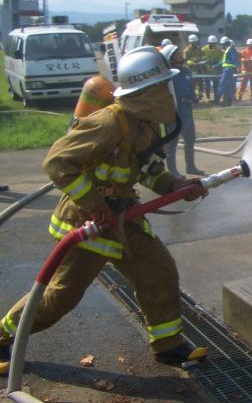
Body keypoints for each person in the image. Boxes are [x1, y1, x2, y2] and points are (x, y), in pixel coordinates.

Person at [0, 46, 209, 375]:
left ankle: (168, 345)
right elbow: (57, 163)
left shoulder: (144, 125)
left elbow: (146, 168)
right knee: (61, 296)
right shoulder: (108, 122)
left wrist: (175, 185)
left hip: (124, 217)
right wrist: (96, 206)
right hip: (88, 224)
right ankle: (2, 335)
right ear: (147, 92)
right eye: (163, 87)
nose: (168, 94)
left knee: (158, 270)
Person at [162, 44, 205, 176]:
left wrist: (194, 98)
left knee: (190, 139)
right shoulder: (166, 75)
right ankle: (173, 171)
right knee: (172, 143)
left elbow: (190, 87)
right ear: (171, 58)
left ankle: (191, 167)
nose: (181, 55)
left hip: (187, 109)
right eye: (177, 54)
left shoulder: (186, 71)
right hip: (174, 110)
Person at [217, 37, 240, 106]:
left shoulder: (230, 49)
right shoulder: (227, 50)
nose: (222, 46)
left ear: (224, 44)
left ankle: (217, 99)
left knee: (222, 84)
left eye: (222, 44)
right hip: (228, 69)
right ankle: (228, 102)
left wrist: (237, 67)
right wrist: (214, 66)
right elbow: (222, 62)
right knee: (228, 86)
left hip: (228, 70)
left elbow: (235, 58)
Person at [183, 34, 206, 100]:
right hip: (192, 69)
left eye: (195, 42)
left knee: (200, 82)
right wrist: (190, 62)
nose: (194, 43)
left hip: (199, 68)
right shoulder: (186, 50)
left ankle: (200, 95)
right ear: (190, 42)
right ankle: (193, 97)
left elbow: (202, 56)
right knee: (193, 84)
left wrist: (203, 59)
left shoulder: (199, 49)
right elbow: (185, 60)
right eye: (193, 42)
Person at [200, 35, 222, 101]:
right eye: (212, 43)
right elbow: (201, 58)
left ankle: (216, 98)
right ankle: (208, 97)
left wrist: (216, 65)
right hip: (206, 69)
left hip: (215, 69)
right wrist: (205, 65)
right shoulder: (204, 49)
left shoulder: (218, 50)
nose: (213, 45)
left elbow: (221, 60)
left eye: (214, 43)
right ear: (209, 43)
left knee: (216, 84)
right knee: (207, 84)